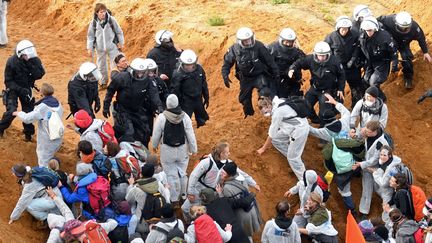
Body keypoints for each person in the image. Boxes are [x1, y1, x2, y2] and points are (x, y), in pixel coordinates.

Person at [183, 141, 259, 220]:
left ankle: (198, 224)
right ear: (222, 153)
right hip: (198, 191)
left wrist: (253, 183)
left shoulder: (228, 163)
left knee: (206, 214)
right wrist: (190, 192)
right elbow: (194, 176)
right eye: (227, 152)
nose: (229, 153)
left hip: (213, 195)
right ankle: (189, 222)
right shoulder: (207, 162)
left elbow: (242, 173)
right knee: (185, 209)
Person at [102, 57, 163, 147]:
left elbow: (154, 94)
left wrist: (159, 106)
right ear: (132, 71)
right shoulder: (122, 77)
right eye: (138, 72)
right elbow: (110, 91)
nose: (140, 75)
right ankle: (118, 148)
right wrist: (106, 106)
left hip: (138, 109)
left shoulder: (148, 80)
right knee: (128, 132)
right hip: (123, 109)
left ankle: (143, 151)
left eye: (143, 72)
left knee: (145, 131)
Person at [221, 27, 279, 117]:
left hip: (259, 75)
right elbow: (227, 63)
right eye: (245, 41)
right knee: (244, 99)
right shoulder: (234, 49)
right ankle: (249, 115)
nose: (248, 42)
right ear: (240, 41)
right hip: (245, 78)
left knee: (265, 91)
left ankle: (266, 110)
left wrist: (276, 73)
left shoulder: (259, 46)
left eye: (250, 39)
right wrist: (225, 75)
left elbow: (270, 61)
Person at [152, 94, 197, 205]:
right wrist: (193, 148)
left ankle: (174, 199)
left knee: (171, 175)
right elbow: (190, 134)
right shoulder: (185, 116)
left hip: (167, 150)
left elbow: (156, 134)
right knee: (182, 172)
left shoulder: (162, 117)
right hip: (182, 149)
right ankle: (183, 195)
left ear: (167, 104)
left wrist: (154, 145)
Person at [288, 41, 346, 126]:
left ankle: (323, 129)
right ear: (315, 54)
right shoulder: (310, 59)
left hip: (327, 90)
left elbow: (342, 75)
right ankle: (315, 119)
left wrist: (341, 88)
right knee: (305, 104)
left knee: (324, 112)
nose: (322, 57)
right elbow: (299, 63)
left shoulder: (335, 62)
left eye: (324, 55)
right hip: (315, 88)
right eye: (320, 55)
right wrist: (292, 69)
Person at [0, 39, 45, 140]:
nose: (28, 57)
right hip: (13, 89)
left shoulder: (34, 60)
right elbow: (8, 81)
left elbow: (40, 74)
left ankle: (28, 134)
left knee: (28, 112)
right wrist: (20, 90)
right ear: (20, 54)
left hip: (27, 88)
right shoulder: (11, 62)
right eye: (25, 55)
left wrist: (31, 66)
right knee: (11, 111)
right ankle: (1, 128)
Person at [256, 96, 309, 181]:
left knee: (293, 158)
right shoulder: (279, 102)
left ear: (269, 106)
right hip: (292, 127)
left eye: (265, 112)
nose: (265, 115)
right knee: (276, 139)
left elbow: (271, 134)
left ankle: (305, 181)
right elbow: (274, 137)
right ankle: (294, 158)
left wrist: (263, 149)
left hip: (299, 130)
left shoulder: (278, 112)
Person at [13, 83, 64, 167]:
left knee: (44, 163)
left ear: (42, 93)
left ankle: (50, 178)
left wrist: (19, 113)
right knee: (51, 159)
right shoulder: (58, 103)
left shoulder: (43, 107)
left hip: (47, 140)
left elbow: (28, 119)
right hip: (58, 136)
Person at [378, 11, 432, 88]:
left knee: (407, 57)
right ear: (396, 23)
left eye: (407, 28)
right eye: (402, 28)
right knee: (384, 56)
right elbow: (378, 20)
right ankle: (383, 74)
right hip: (390, 41)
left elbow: (421, 39)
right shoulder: (389, 20)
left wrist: (425, 52)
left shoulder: (415, 28)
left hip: (403, 44)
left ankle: (408, 78)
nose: (405, 30)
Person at [351, 120, 390, 219]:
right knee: (367, 189)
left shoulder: (381, 143)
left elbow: (375, 160)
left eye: (368, 132)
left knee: (379, 188)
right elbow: (359, 137)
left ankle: (389, 205)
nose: (366, 132)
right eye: (366, 130)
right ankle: (364, 212)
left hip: (378, 169)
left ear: (375, 131)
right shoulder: (368, 134)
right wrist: (358, 134)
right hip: (367, 168)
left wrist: (361, 164)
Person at [325, 16, 363, 108]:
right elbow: (327, 51)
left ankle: (356, 106)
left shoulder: (355, 34)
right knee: (337, 88)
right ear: (338, 28)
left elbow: (358, 48)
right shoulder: (331, 37)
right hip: (338, 67)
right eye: (342, 29)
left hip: (352, 66)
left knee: (356, 86)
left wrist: (353, 59)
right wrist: (333, 64)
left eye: (346, 29)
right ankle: (336, 107)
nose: (344, 31)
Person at [358, 16, 398, 101]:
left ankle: (381, 100)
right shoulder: (362, 37)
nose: (368, 32)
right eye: (366, 30)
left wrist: (394, 63)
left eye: (370, 30)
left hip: (382, 63)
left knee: (374, 82)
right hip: (369, 62)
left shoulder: (384, 36)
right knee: (365, 80)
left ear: (375, 28)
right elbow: (360, 49)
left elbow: (393, 50)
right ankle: (368, 98)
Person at [220, 162, 262, 242]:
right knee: (248, 234)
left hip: (242, 215)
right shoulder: (241, 178)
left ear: (229, 175)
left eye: (223, 173)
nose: (221, 173)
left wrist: (220, 194)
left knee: (244, 235)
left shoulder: (227, 188)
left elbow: (228, 205)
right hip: (251, 209)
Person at [125, 163, 170, 238]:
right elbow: (167, 201)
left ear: (141, 174)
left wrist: (130, 186)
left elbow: (127, 202)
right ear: (152, 173)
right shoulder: (159, 184)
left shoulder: (136, 189)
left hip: (142, 224)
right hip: (159, 221)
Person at [86, 3, 124, 89]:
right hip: (100, 48)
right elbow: (90, 36)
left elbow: (119, 32)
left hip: (112, 46)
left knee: (114, 65)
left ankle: (115, 83)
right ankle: (103, 83)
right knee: (101, 66)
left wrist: (121, 43)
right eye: (101, 12)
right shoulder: (93, 23)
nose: (103, 14)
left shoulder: (111, 20)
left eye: (104, 11)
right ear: (97, 13)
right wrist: (89, 48)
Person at [171, 49, 209, 127]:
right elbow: (175, 90)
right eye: (187, 65)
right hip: (186, 101)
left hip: (198, 99)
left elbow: (204, 84)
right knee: (184, 121)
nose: (190, 67)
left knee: (202, 119)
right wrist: (177, 104)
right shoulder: (178, 74)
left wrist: (206, 96)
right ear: (182, 63)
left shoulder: (199, 69)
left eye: (191, 64)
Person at [368, 145, 403, 225]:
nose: (382, 157)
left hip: (389, 192)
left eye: (384, 155)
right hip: (391, 190)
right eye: (381, 154)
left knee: (387, 209)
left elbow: (384, 183)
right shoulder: (391, 161)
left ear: (390, 155)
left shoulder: (390, 168)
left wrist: (375, 173)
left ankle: (387, 225)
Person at [267, 28, 305, 98]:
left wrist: (299, 50)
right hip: (278, 78)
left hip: (293, 78)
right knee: (280, 98)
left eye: (290, 42)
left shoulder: (296, 50)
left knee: (295, 98)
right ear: (281, 40)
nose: (288, 44)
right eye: (286, 42)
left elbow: (304, 61)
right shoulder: (272, 48)